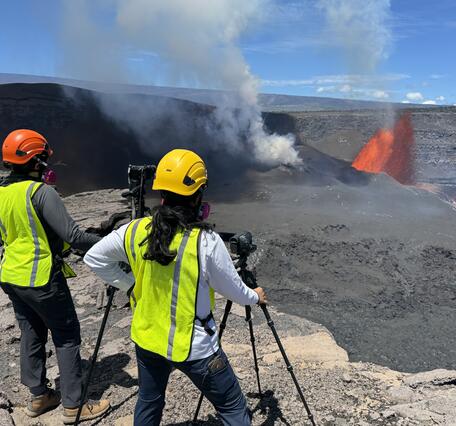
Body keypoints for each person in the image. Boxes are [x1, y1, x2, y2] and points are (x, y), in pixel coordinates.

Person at [84, 149, 267, 425]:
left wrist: (130, 285)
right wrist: (255, 297)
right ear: (198, 195)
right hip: (195, 347)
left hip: (147, 339)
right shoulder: (205, 241)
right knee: (231, 408)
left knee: (149, 400)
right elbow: (234, 291)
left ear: (162, 193)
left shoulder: (134, 230)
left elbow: (94, 257)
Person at [0, 129, 110, 423]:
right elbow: (73, 236)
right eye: (44, 158)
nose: (48, 163)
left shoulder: (1, 193)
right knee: (66, 335)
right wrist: (112, 244)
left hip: (11, 276)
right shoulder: (41, 192)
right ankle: (74, 406)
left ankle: (39, 397)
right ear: (35, 160)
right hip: (42, 278)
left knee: (31, 333)